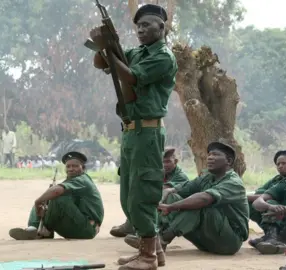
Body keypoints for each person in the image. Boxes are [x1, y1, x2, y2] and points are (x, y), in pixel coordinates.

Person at [91, 4, 177, 268]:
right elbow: (102, 64)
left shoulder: (163, 56)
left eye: (147, 25)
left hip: (148, 131)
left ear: (162, 28)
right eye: (138, 26)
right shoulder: (137, 52)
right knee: (129, 193)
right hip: (131, 130)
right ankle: (154, 251)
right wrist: (101, 44)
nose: (141, 29)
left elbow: (129, 76)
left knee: (143, 192)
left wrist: (109, 49)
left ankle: (148, 257)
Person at [156, 142, 249, 256]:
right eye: (209, 155)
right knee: (171, 197)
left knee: (199, 204)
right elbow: (184, 188)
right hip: (204, 241)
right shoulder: (207, 177)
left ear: (228, 161)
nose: (209, 158)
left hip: (228, 242)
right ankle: (156, 234)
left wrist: (171, 207)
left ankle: (163, 238)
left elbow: (204, 199)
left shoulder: (234, 182)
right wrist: (168, 191)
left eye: (215, 155)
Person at [9, 151, 104, 241]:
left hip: (87, 229)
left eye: (75, 166)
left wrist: (37, 201)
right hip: (77, 225)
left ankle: (44, 231)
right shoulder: (72, 181)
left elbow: (57, 191)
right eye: (68, 166)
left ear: (83, 168)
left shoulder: (82, 179)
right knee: (46, 199)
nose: (71, 169)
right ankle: (33, 229)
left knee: (52, 197)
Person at [122, 147, 189, 249]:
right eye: (162, 162)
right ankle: (136, 230)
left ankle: (155, 239)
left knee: (163, 199)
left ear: (175, 161)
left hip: (177, 210)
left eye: (168, 162)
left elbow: (162, 190)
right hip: (165, 207)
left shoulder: (181, 176)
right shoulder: (160, 173)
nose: (165, 165)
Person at [247, 150, 286, 248]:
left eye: (283, 163)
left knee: (270, 203)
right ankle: (270, 234)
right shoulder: (276, 179)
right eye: (278, 164)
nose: (280, 166)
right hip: (278, 215)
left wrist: (242, 196)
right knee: (250, 204)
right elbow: (260, 193)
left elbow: (265, 196)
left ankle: (273, 237)